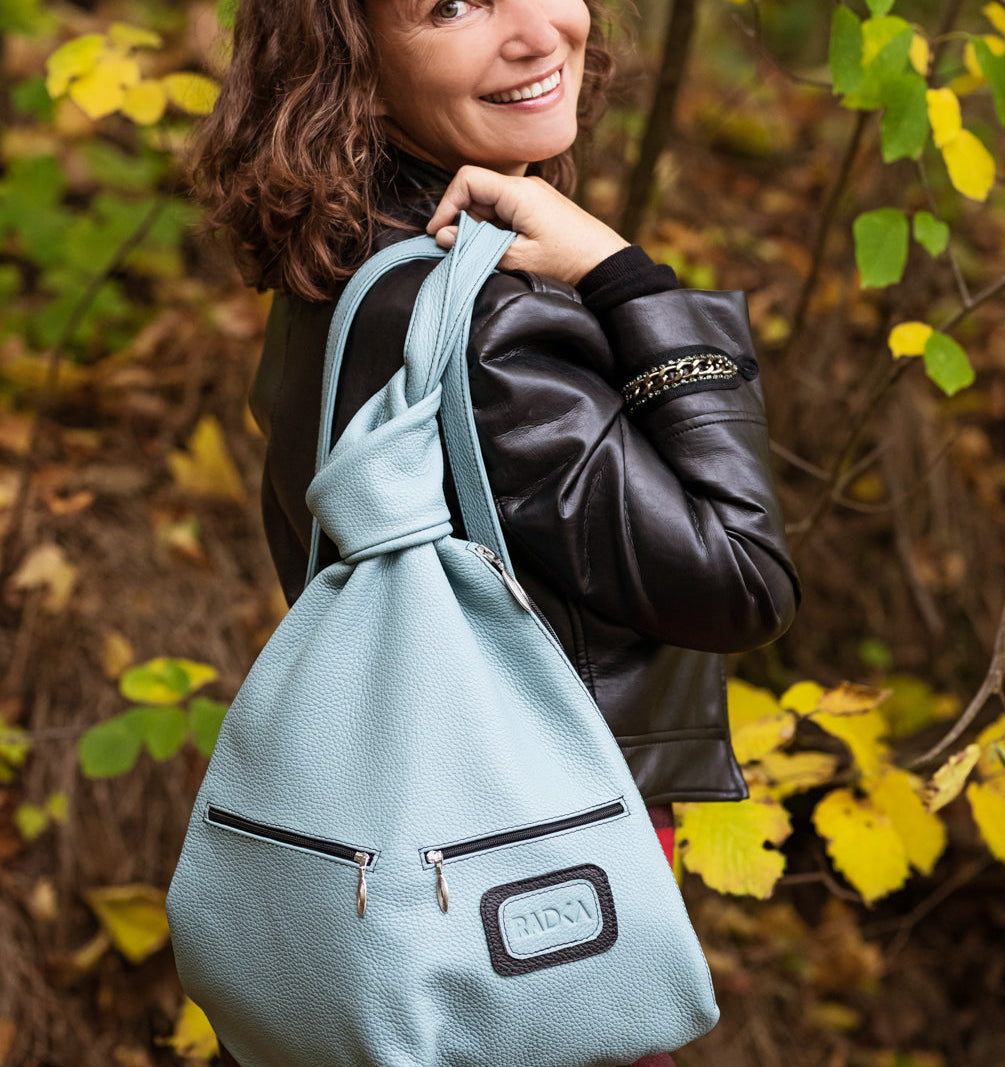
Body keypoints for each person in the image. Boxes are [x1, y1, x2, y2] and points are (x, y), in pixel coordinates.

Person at [193, 0, 800, 1063]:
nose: (535, 31)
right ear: (349, 57)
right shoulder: (486, 323)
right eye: (451, 5)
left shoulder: (351, 270)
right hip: (526, 869)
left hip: (408, 859)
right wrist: (625, 278)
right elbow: (741, 579)